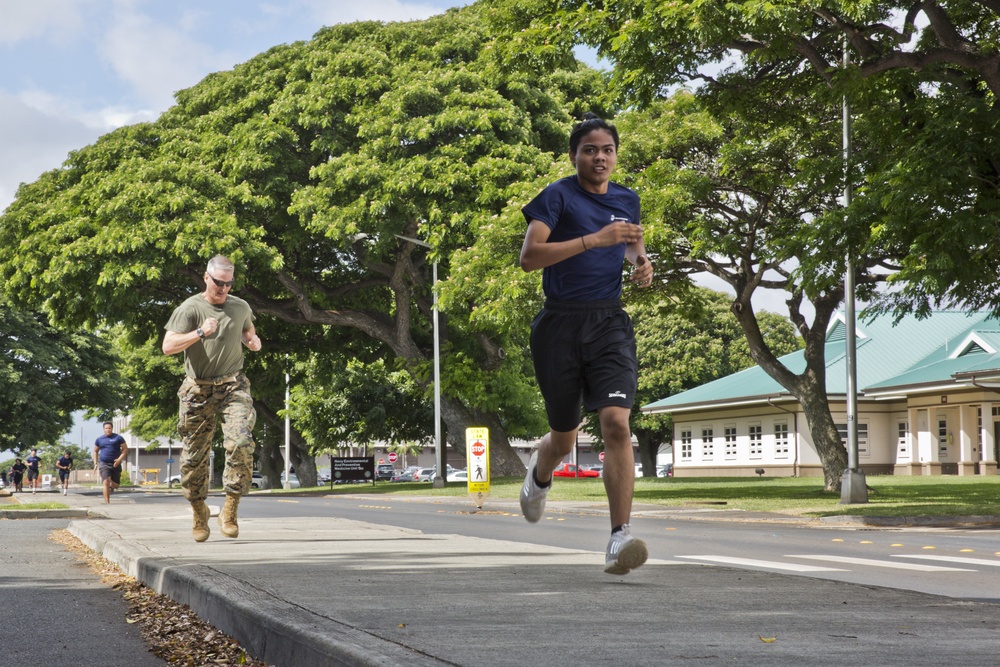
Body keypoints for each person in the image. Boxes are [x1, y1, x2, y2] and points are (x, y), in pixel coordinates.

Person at [518, 113, 654, 575]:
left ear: (616, 155)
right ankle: (540, 473)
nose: (599, 157)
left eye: (607, 150)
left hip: (608, 321)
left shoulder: (627, 199)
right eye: (590, 149)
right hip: (559, 323)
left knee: (616, 422)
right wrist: (593, 240)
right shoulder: (557, 197)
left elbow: (632, 242)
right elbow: (529, 257)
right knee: (564, 435)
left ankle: (619, 538)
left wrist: (642, 262)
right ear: (574, 155)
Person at [162, 255, 261, 542]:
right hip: (197, 390)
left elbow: (247, 329)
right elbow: (168, 346)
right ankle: (199, 512)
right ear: (206, 277)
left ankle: (230, 508)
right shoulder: (190, 308)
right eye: (219, 283)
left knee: (241, 442)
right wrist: (199, 332)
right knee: (194, 458)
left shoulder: (240, 306)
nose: (223, 289)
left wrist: (251, 341)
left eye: (228, 284)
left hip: (233, 386)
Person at [93, 422, 128, 503]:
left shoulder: (118, 438)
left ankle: (111, 483)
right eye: (106, 428)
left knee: (116, 486)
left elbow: (125, 449)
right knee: (105, 482)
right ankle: (107, 502)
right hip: (104, 463)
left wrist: (119, 459)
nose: (108, 430)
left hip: (116, 463)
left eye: (109, 428)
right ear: (103, 429)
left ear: (112, 429)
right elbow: (95, 451)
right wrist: (95, 463)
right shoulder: (99, 439)